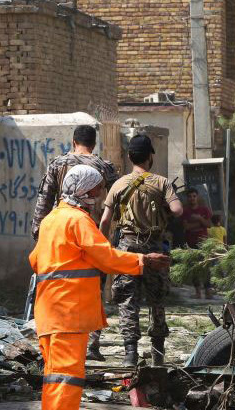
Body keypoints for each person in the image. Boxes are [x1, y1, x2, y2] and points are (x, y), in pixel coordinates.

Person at [30, 164, 169, 410]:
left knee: (56, 377)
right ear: (87, 191)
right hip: (68, 312)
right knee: (66, 378)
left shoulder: (51, 219)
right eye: (98, 188)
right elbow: (105, 257)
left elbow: (35, 259)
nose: (101, 192)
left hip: (50, 310)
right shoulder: (78, 221)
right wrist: (143, 261)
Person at [31, 124, 117, 361]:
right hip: (91, 233)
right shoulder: (104, 167)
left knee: (56, 286)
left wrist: (39, 234)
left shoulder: (58, 164)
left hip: (59, 234)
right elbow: (115, 201)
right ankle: (92, 343)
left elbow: (44, 199)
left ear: (72, 141)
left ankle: (57, 335)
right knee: (93, 290)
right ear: (94, 143)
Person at [99, 134, 183, 366]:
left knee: (128, 300)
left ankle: (130, 354)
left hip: (126, 248)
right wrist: (163, 206)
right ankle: (158, 355)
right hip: (155, 246)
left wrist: (102, 247)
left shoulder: (118, 184)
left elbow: (105, 221)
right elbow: (177, 210)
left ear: (129, 156)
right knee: (157, 301)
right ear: (150, 156)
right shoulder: (162, 182)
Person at [181, 188, 213, 298]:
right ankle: (198, 292)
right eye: (190, 196)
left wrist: (199, 218)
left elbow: (209, 224)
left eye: (194, 196)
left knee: (206, 266)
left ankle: (208, 291)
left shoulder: (204, 210)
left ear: (197, 197)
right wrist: (200, 223)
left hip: (203, 242)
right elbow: (186, 227)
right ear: (187, 198)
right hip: (191, 242)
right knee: (194, 267)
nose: (192, 198)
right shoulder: (185, 211)